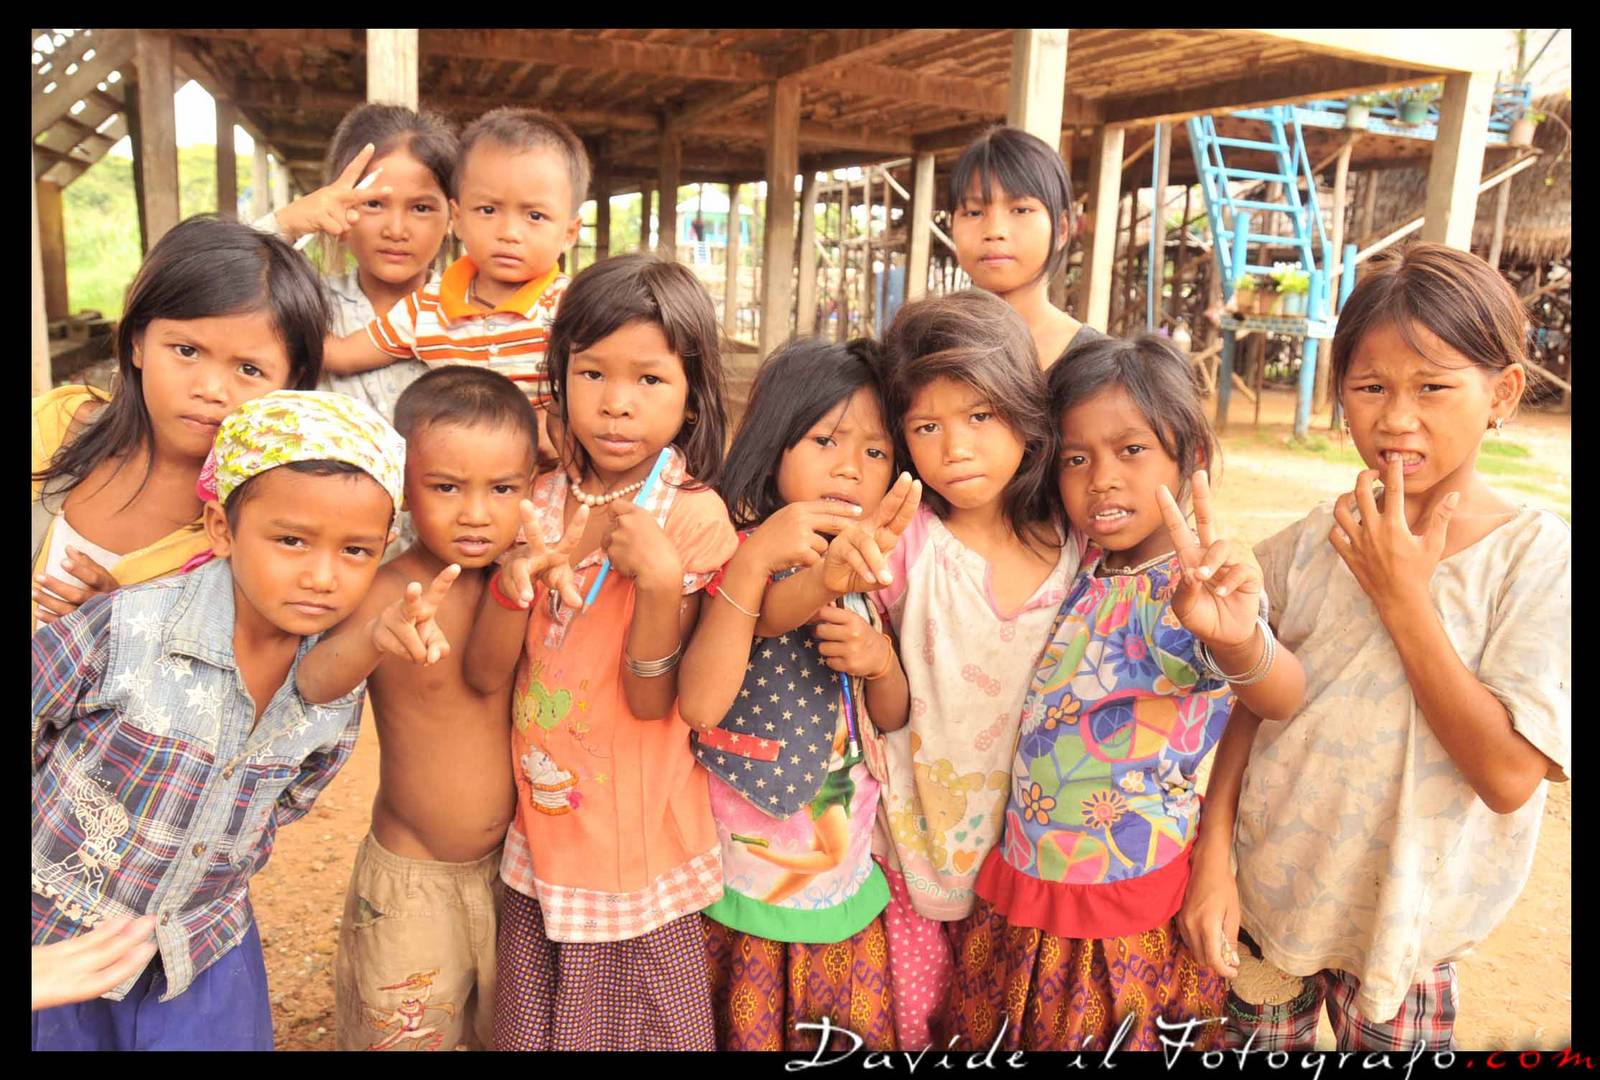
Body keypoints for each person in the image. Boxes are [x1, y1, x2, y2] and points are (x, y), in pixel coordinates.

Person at [1181, 242, 1571, 1051]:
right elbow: (1253, 714)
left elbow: (1506, 777)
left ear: (1501, 393)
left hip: (1409, 929)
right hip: (1268, 901)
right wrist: (1213, 854)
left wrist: (1402, 597)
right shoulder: (1307, 545)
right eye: (1370, 388)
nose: (1397, 417)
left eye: (1433, 387)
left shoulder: (1537, 562)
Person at [943, 333, 1306, 1050]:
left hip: (1123, 908)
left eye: (1132, 450)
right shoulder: (1085, 563)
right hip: (1034, 883)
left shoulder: (1190, 589)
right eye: (1077, 458)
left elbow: (1280, 693)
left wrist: (1236, 638)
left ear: (1190, 458)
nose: (1101, 478)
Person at [32, 390, 407, 1050]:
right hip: (55, 944)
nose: (323, 576)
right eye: (291, 540)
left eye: (356, 551)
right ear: (221, 529)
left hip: (200, 950)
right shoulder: (125, 629)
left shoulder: (338, 679)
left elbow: (296, 792)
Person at [760, 291, 1079, 1048]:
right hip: (907, 857)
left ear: (1027, 415)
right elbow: (887, 697)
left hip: (1025, 869)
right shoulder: (903, 544)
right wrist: (874, 659)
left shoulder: (1075, 548)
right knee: (911, 1024)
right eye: (926, 427)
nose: (955, 449)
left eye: (981, 417)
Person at [461, 255, 737, 1051]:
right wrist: (514, 584)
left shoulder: (691, 518)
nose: (616, 404)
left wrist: (656, 585)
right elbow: (487, 676)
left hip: (630, 848)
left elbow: (659, 701)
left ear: (691, 396)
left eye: (649, 380)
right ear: (562, 375)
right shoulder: (534, 500)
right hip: (542, 835)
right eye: (593, 373)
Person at [293, 367, 577, 1050]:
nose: (476, 512)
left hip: (514, 872)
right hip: (411, 881)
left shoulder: (517, 581)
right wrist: (371, 635)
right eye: (446, 487)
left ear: (530, 489)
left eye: (501, 489)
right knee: (404, 1035)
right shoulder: (384, 586)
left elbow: (485, 676)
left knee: (497, 1033)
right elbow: (316, 682)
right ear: (403, 487)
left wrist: (513, 594)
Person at [678, 338, 918, 1050]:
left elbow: (892, 716)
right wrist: (822, 578)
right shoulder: (746, 548)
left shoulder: (878, 569)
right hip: (743, 875)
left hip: (840, 879)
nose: (851, 466)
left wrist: (881, 664)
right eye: (825, 440)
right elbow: (774, 611)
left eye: (876, 453)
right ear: (776, 440)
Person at [32, 215, 328, 630]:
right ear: (137, 342)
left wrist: (122, 625)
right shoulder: (55, 426)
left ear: (291, 382)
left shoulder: (267, 521)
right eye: (186, 351)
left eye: (248, 369)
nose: (210, 389)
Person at [322, 106, 589, 466]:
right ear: (459, 218)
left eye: (534, 215)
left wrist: (561, 422)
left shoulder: (573, 307)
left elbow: (612, 380)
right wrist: (289, 226)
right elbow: (338, 355)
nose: (509, 233)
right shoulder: (426, 309)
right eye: (488, 210)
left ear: (571, 232)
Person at [259, 104, 458, 424]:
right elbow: (204, 287)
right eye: (374, 204)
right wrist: (287, 222)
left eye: (421, 207)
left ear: (453, 217)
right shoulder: (309, 304)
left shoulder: (472, 313)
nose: (396, 230)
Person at [949, 125, 1107, 370]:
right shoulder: (921, 350)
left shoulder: (1096, 366)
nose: (994, 231)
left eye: (1021, 210)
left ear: (1062, 229)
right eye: (973, 212)